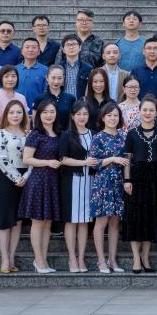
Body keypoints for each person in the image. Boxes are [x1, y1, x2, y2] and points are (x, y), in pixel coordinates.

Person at [19, 100, 62, 274]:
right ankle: (38, 260)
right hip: (38, 180)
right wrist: (47, 162)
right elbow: (26, 159)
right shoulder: (35, 134)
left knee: (48, 222)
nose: (49, 115)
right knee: (38, 222)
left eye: (52, 112)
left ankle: (43, 260)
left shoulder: (59, 133)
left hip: (53, 181)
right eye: (45, 112)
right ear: (39, 115)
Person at [122, 97, 157, 274]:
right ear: (139, 111)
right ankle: (136, 258)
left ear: (156, 113)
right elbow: (127, 158)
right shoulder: (132, 133)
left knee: (150, 218)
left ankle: (146, 257)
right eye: (144, 110)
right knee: (135, 218)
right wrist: (127, 180)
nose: (147, 113)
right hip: (136, 178)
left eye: (151, 110)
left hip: (155, 178)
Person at [0, 99, 31, 274]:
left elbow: (33, 157)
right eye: (12, 112)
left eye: (19, 112)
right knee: (6, 219)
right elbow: (1, 159)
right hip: (7, 178)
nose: (15, 115)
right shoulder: (0, 134)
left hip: (26, 177)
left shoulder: (29, 134)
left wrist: (26, 176)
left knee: (18, 220)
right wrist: (16, 177)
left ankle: (12, 258)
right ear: (6, 114)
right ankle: (4, 260)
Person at [57, 101, 96, 273]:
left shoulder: (93, 134)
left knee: (84, 221)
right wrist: (84, 162)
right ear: (72, 116)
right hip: (72, 181)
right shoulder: (67, 135)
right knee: (72, 220)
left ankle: (81, 258)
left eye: (85, 114)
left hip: (90, 181)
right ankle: (72, 258)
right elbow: (63, 159)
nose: (82, 117)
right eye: (78, 114)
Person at [89, 102, 128, 274]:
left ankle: (112, 259)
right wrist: (112, 159)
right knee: (102, 220)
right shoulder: (97, 137)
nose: (113, 118)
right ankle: (101, 261)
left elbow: (128, 159)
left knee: (115, 221)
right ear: (103, 118)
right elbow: (93, 163)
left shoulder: (123, 136)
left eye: (116, 115)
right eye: (109, 115)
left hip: (119, 182)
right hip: (103, 182)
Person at [16, 38, 49, 109]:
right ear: (22, 51)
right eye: (27, 47)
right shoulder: (14, 70)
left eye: (34, 47)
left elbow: (47, 93)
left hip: (38, 110)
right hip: (17, 110)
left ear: (39, 52)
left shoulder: (46, 70)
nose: (30, 50)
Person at [59, 34, 92, 99]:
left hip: (81, 103)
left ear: (80, 47)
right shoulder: (58, 68)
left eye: (74, 44)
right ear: (63, 49)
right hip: (63, 103)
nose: (71, 47)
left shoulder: (88, 68)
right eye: (68, 45)